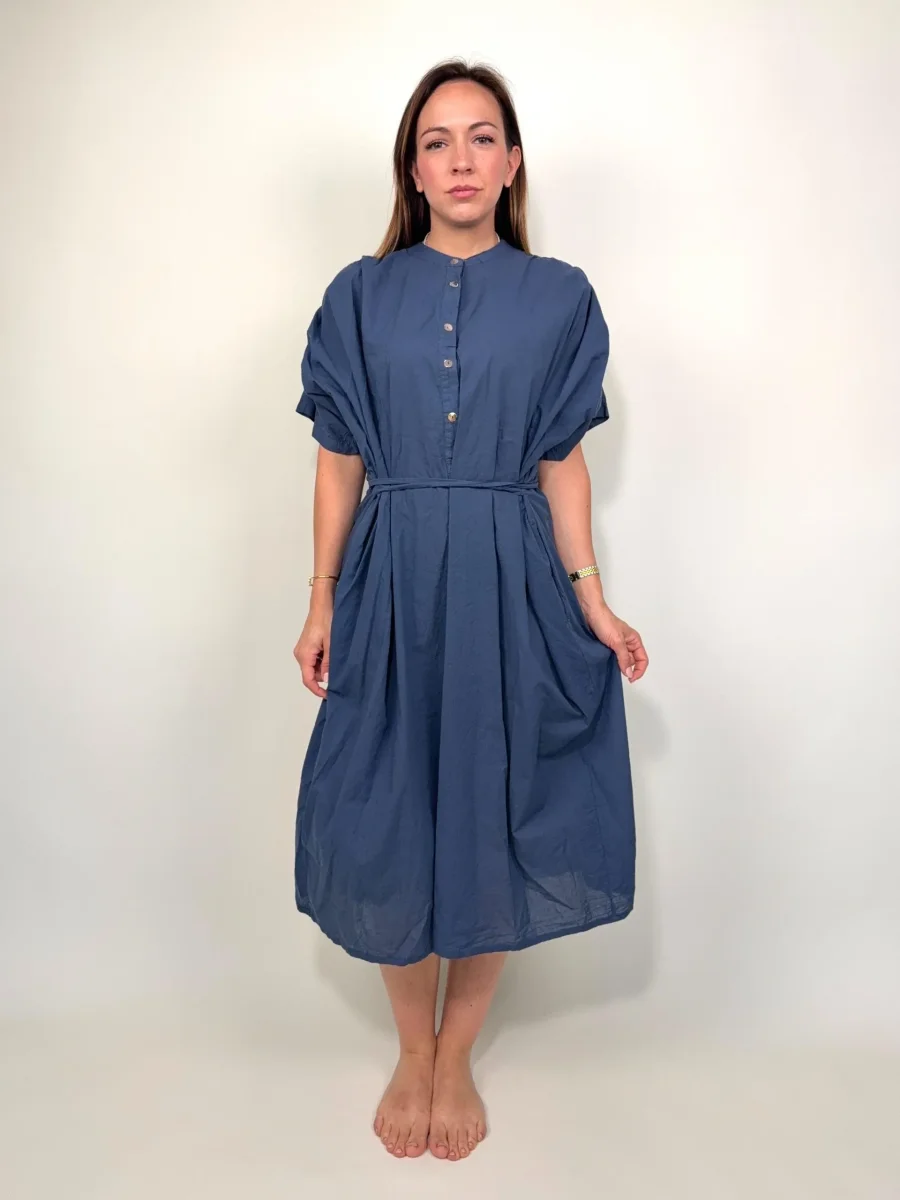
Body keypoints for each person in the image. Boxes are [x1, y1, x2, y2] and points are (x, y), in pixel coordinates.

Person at [292, 58, 649, 1163]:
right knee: (391, 809)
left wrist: (595, 602)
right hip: (393, 578)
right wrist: (321, 601)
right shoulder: (359, 295)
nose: (460, 159)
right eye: (437, 141)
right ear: (412, 167)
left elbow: (561, 464)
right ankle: (413, 1049)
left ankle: (457, 1050)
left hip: (511, 578)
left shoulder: (560, 297)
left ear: (512, 162)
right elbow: (339, 462)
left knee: (496, 806)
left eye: (481, 137)